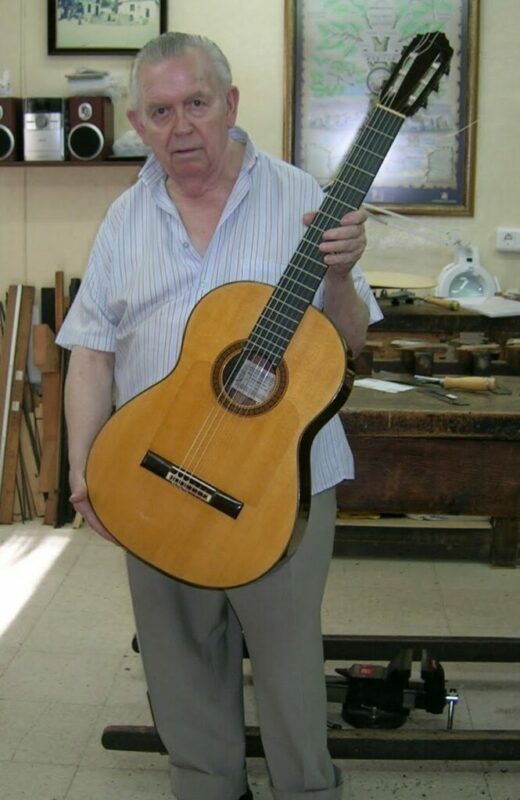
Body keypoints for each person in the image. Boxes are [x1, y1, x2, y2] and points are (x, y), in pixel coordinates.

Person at [57, 32, 383, 800]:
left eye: (197, 104)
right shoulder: (124, 220)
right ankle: (207, 786)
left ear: (230, 104)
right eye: (161, 111)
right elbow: (91, 353)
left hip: (281, 486)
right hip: (156, 474)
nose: (181, 128)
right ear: (137, 123)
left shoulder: (301, 198)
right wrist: (83, 468)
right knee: (179, 667)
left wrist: (340, 276)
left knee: (289, 667)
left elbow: (349, 343)